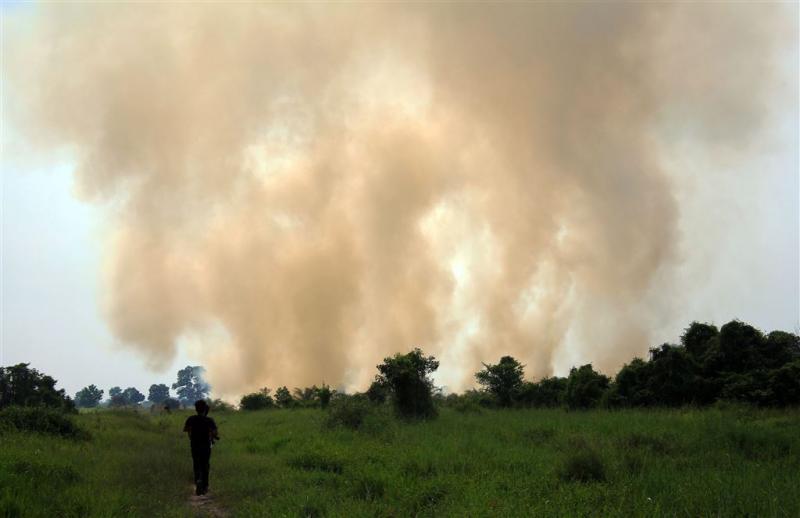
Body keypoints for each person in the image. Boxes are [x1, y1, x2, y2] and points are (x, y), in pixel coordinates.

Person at [183, 400, 219, 495]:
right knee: (205, 464)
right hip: (206, 446)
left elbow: (187, 430)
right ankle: (205, 485)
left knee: (196, 463)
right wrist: (213, 435)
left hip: (194, 445)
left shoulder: (191, 419)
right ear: (205, 409)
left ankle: (197, 481)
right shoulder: (209, 420)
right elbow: (215, 433)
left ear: (196, 409)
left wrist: (191, 436)